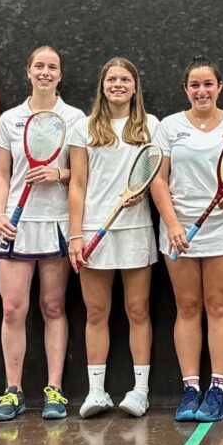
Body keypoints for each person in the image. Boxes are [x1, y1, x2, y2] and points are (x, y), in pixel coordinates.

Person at [151, 56, 223, 423]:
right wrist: (172, 224)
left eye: (208, 84)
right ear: (186, 89)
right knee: (187, 307)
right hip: (179, 229)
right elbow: (158, 179)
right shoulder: (169, 126)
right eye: (195, 85)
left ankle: (218, 391)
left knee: (218, 305)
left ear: (219, 87)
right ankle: (190, 388)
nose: (202, 91)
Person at [0, 46, 86, 421]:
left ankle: (55, 390)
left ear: (60, 75)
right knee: (13, 309)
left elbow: (83, 173)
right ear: (28, 71)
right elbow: (1, 174)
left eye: (52, 67)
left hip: (56, 222)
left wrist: (57, 173)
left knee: (53, 306)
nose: (45, 72)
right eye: (39, 66)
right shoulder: (10, 119)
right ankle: (12, 391)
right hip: (15, 225)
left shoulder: (75, 118)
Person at [67, 57, 159, 419]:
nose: (117, 85)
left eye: (124, 79)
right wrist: (76, 234)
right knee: (96, 312)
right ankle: (96, 392)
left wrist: (144, 190)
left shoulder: (150, 126)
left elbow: (158, 174)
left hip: (135, 230)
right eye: (111, 79)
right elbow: (77, 184)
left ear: (135, 87)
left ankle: (140, 391)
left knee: (138, 310)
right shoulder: (84, 128)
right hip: (94, 230)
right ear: (102, 86)